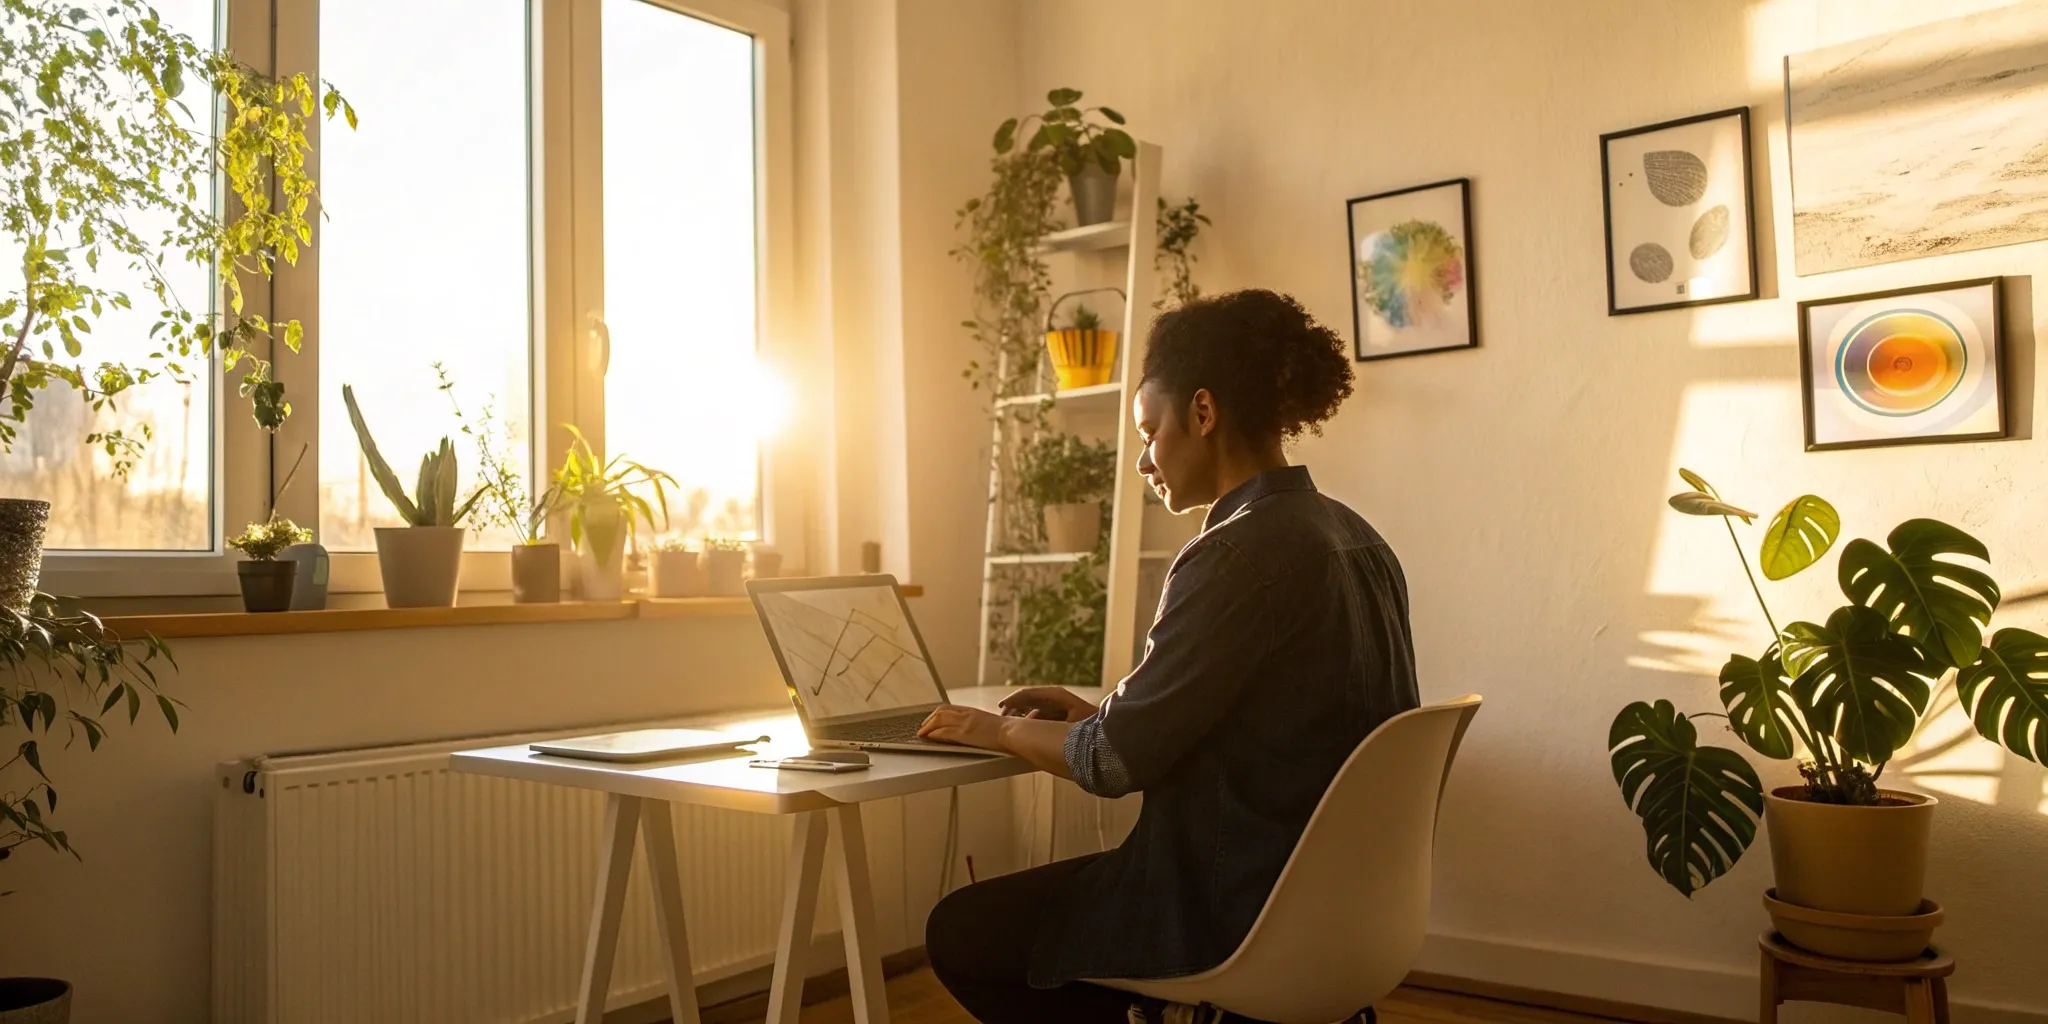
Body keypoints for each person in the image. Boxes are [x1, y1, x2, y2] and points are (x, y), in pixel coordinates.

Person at [918, 288, 1422, 1024]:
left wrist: (997, 729)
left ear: (1203, 413)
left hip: (1229, 905)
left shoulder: (1235, 553)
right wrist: (1098, 716)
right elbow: (1277, 730)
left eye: (1150, 431)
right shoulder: (1357, 538)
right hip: (1339, 905)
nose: (1143, 461)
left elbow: (1112, 765)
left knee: (963, 932)